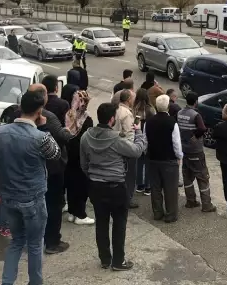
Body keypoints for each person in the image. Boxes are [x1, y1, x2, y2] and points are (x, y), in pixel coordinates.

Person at [0, 90, 61, 285]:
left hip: (8, 196)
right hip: (33, 198)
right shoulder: (40, 137)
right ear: (40, 112)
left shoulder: (0, 133)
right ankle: (35, 283)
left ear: (20, 107)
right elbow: (55, 154)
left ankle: (7, 284)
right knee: (35, 243)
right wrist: (45, 127)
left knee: (16, 241)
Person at [80, 102, 147, 271]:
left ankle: (104, 259)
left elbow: (84, 164)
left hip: (96, 185)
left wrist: (93, 176)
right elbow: (136, 151)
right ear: (111, 119)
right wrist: (139, 132)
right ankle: (118, 261)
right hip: (116, 186)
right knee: (119, 223)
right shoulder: (116, 139)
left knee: (101, 223)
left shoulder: (86, 137)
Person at [24, 84, 75, 255]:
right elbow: (61, 138)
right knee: (53, 204)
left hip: (29, 169)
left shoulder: (18, 114)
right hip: (51, 168)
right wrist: (69, 129)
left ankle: (34, 238)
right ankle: (52, 241)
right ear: (43, 97)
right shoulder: (47, 117)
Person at [145, 94, 183, 222]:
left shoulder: (149, 122)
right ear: (167, 107)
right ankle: (171, 214)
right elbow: (176, 143)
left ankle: (157, 212)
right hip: (169, 159)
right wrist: (179, 156)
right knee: (170, 188)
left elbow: (145, 140)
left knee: (155, 188)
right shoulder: (172, 122)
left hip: (153, 158)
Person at [177, 92, 216, 212]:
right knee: (202, 177)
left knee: (187, 176)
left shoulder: (179, 113)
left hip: (184, 150)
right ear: (195, 102)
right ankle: (207, 205)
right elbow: (202, 128)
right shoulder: (196, 115)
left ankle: (190, 201)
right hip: (196, 151)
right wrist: (195, 136)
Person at [64, 89, 95, 225]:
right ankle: (80, 215)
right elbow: (87, 140)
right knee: (81, 186)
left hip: (68, 155)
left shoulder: (68, 115)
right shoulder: (86, 119)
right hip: (80, 157)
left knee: (71, 185)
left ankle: (72, 212)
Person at [113, 89, 138, 208]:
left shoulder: (116, 109)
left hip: (115, 146)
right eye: (133, 98)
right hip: (125, 149)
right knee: (129, 176)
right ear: (128, 99)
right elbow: (129, 134)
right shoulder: (127, 113)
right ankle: (127, 200)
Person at [134, 88, 156, 196]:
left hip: (137, 138)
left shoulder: (135, 109)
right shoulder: (150, 110)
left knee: (139, 162)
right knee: (148, 164)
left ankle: (139, 185)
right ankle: (148, 187)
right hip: (149, 138)